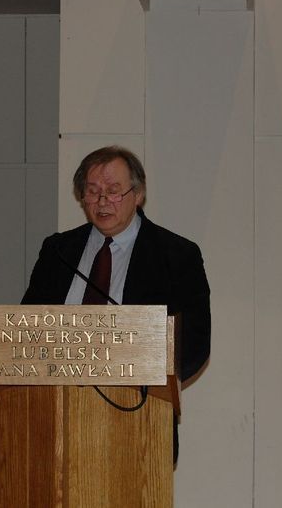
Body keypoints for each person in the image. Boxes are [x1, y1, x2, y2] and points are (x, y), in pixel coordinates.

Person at [21, 145, 211, 383]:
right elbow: (27, 329)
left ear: (138, 195)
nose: (102, 201)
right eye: (92, 191)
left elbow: (194, 344)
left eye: (113, 191)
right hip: (56, 395)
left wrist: (145, 382)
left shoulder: (176, 255)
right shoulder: (58, 251)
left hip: (138, 399)